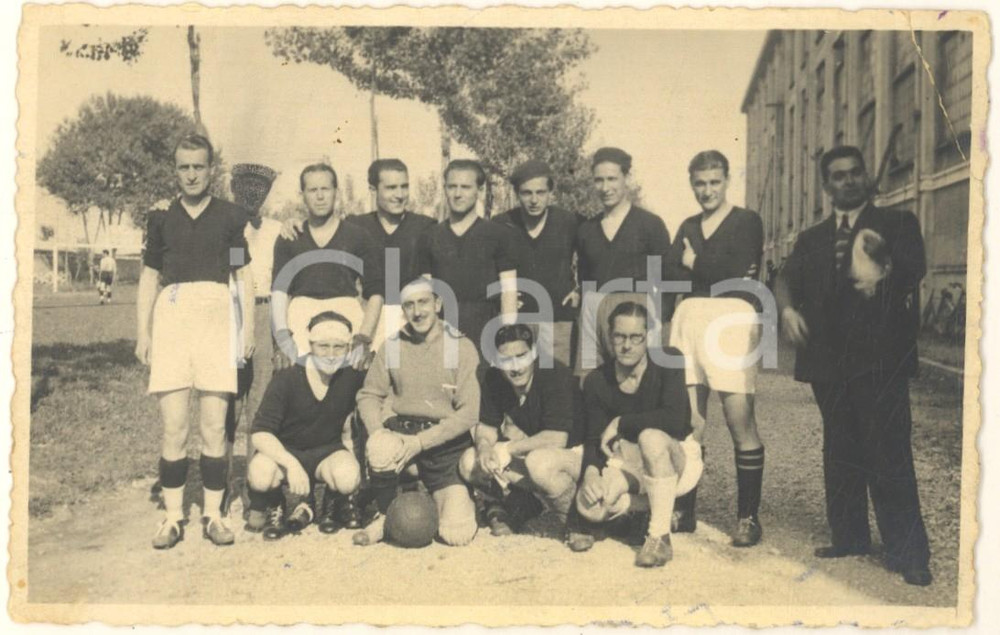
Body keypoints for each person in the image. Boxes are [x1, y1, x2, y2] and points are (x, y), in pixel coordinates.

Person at [776, 145, 932, 586]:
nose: (847, 181)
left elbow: (912, 269)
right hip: (828, 362)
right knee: (841, 449)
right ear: (827, 187)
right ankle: (850, 537)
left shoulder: (897, 223)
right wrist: (787, 311)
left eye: (854, 173)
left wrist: (881, 270)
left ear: (865, 177)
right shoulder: (812, 238)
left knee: (888, 452)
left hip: (880, 358)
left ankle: (910, 553)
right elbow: (784, 278)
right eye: (838, 176)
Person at [135, 133, 254, 549]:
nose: (191, 174)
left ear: (211, 169)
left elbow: (241, 276)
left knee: (213, 427)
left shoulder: (231, 217)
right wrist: (143, 332)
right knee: (174, 427)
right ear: (176, 169)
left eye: (198, 166)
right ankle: (171, 518)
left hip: (217, 318)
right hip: (172, 318)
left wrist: (248, 330)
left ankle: (214, 516)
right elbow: (149, 277)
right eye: (184, 167)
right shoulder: (161, 219)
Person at [665, 150, 765, 547]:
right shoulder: (688, 224)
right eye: (700, 184)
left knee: (739, 419)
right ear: (692, 184)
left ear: (727, 181)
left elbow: (736, 268)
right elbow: (675, 272)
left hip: (731, 321)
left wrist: (696, 263)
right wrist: (702, 265)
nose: (707, 190)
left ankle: (748, 517)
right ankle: (685, 510)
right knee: (688, 419)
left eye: (714, 182)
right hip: (688, 320)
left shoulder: (746, 221)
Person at [571, 301, 701, 567]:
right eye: (619, 336)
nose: (626, 345)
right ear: (609, 338)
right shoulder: (597, 380)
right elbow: (595, 438)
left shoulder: (669, 361)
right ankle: (641, 511)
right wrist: (591, 472)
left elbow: (676, 421)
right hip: (630, 463)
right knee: (590, 507)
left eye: (635, 337)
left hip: (673, 460)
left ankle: (659, 537)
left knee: (650, 437)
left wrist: (621, 422)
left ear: (647, 338)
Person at [354, 277, 481, 547]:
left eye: (423, 302)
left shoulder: (461, 346)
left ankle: (443, 497)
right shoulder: (393, 345)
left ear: (437, 304)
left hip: (444, 445)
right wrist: (378, 432)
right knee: (380, 448)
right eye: (409, 305)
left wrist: (420, 443)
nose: (417, 311)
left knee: (455, 534)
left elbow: (469, 412)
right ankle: (387, 511)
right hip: (403, 433)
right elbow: (368, 395)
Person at [245, 311, 366, 540]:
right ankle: (275, 504)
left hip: (326, 452)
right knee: (260, 474)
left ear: (348, 348)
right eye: (323, 346)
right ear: (310, 345)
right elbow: (260, 434)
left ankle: (330, 503)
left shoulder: (351, 376)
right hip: (287, 451)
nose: (330, 355)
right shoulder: (287, 377)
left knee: (348, 477)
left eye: (338, 347)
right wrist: (291, 465)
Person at [458, 324, 584, 536]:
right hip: (542, 454)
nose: (515, 367)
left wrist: (508, 449)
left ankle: (575, 520)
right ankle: (524, 504)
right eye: (507, 360)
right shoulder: (494, 378)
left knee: (538, 464)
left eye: (522, 356)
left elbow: (557, 438)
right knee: (470, 462)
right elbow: (486, 428)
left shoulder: (555, 373)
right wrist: (485, 448)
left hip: (579, 456)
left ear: (534, 353)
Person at [272, 163, 385, 370]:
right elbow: (280, 292)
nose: (320, 196)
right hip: (300, 318)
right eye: (312, 190)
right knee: (299, 386)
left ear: (336, 192)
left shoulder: (357, 236)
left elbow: (376, 292)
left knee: (348, 389)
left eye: (325, 189)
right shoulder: (290, 237)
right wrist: (282, 336)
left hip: (346, 314)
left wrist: (363, 337)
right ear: (302, 195)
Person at [576, 147, 672, 370]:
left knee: (638, 385)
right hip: (595, 315)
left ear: (626, 178)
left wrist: (654, 322)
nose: (605, 187)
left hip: (637, 315)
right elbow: (584, 279)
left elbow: (664, 280)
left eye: (612, 179)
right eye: (599, 180)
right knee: (591, 381)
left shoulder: (650, 225)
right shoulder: (587, 230)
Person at [223, 163, 280, 514]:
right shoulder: (226, 226)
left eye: (259, 189)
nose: (251, 195)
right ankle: (226, 481)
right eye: (245, 187)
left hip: (266, 310)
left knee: (260, 402)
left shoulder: (276, 229)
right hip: (231, 313)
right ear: (233, 189)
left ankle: (256, 485)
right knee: (230, 400)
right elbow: (231, 271)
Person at [416, 159, 518, 354]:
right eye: (452, 187)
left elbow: (509, 291)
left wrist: (508, 336)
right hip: (442, 328)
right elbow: (425, 293)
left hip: (486, 329)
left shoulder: (498, 235)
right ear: (444, 189)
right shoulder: (429, 236)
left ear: (479, 191)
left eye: (465, 187)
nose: (457, 194)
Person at [492, 160, 580, 367]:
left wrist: (581, 288)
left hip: (559, 320)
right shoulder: (502, 224)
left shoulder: (567, 222)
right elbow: (487, 269)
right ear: (516, 193)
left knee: (558, 383)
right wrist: (498, 296)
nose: (534, 200)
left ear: (551, 192)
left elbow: (593, 253)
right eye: (527, 193)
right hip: (518, 322)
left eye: (540, 192)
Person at [345, 159, 436, 344]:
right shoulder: (356, 226)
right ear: (373, 190)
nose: (400, 195)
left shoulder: (425, 226)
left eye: (404, 187)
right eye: (391, 188)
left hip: (412, 322)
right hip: (367, 321)